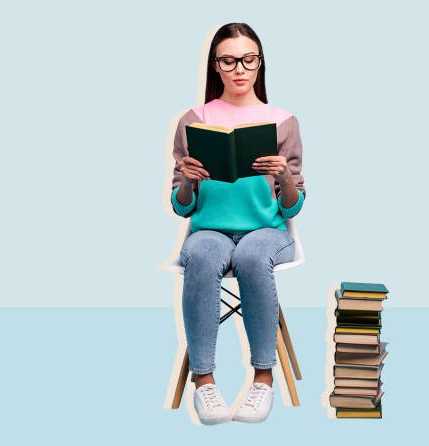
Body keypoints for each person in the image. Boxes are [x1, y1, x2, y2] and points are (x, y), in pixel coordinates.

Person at [168, 23, 306, 425]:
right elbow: (180, 207)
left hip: (267, 231)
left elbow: (294, 207)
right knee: (200, 254)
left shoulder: (283, 121)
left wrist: (283, 176)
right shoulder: (195, 120)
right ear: (216, 65)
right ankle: (204, 382)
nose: (240, 69)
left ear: (260, 63)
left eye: (248, 59)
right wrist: (190, 177)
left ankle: (263, 378)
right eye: (228, 60)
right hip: (209, 229)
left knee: (251, 255)